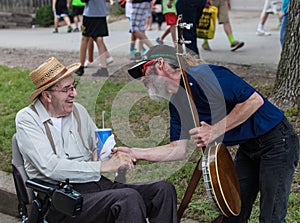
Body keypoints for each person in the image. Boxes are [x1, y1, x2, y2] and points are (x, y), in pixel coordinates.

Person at [123, 45, 300, 222]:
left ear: (160, 64)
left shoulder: (204, 75)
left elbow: (254, 101)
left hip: (277, 142)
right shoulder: (177, 103)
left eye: (144, 71)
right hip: (248, 147)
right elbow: (178, 149)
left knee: (271, 217)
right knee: (233, 215)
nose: (142, 79)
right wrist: (135, 152)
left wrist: (214, 130)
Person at [15, 57, 178, 223]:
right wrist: (103, 166)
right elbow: (50, 167)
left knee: (163, 190)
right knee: (127, 199)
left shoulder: (78, 111)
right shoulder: (27, 119)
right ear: (47, 95)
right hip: (62, 200)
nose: (74, 94)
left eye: (74, 87)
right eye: (67, 89)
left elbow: (98, 150)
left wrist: (115, 155)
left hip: (96, 185)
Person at [75, 0, 112, 77]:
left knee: (85, 39)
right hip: (101, 14)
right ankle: (103, 68)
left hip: (89, 15)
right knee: (99, 39)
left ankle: (81, 67)